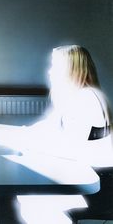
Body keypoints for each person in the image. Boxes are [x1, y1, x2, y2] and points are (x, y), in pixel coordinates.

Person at [14, 45, 112, 223]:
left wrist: (33, 144)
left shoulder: (86, 99)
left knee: (30, 199)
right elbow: (52, 126)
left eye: (55, 66)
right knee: (28, 194)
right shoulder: (83, 96)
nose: (50, 72)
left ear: (70, 69)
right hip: (89, 179)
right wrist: (28, 133)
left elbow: (72, 148)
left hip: (94, 189)